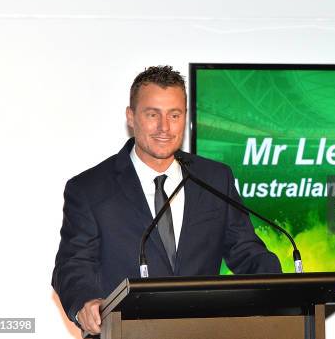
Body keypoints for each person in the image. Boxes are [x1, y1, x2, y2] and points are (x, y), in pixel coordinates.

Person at [52, 66, 281, 334]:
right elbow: (73, 264)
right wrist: (86, 302)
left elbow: (246, 251)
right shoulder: (90, 188)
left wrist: (283, 287)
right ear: (131, 116)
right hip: (126, 332)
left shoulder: (214, 178)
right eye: (153, 114)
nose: (165, 127)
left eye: (175, 115)